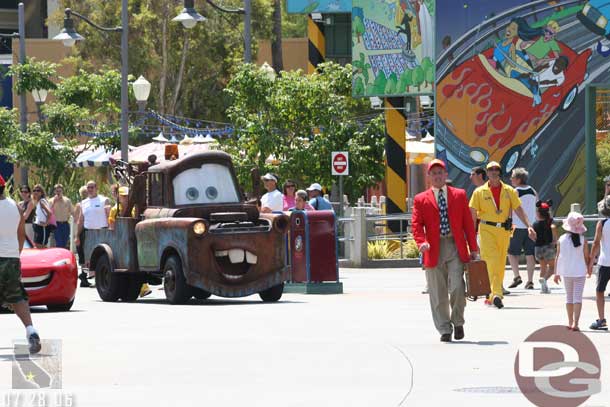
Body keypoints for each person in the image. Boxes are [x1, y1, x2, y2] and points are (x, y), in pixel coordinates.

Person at [412, 159, 478, 342]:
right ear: (429, 177)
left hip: (454, 246)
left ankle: (458, 322)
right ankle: (444, 329)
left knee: (457, 286)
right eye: (433, 173)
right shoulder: (420, 199)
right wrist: (421, 242)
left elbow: (467, 225)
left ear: (446, 175)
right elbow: (416, 225)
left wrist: (473, 248)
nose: (437, 176)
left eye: (440, 173)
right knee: (437, 291)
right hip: (433, 248)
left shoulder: (459, 195)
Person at [470, 161, 536, 309]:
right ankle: (497, 294)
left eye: (496, 169)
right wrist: (471, 235)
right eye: (490, 169)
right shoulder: (479, 192)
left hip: (504, 231)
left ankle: (491, 295)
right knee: (492, 261)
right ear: (486, 173)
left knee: (500, 264)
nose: (493, 172)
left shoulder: (509, 191)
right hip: (486, 229)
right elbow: (473, 214)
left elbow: (519, 209)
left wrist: (529, 226)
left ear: (499, 172)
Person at [0, 175, 41, 354]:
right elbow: (21, 234)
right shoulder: (15, 206)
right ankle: (31, 331)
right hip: (12, 259)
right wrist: (14, 254)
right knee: (17, 296)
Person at [108, 187, 151, 297]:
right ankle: (143, 287)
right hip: (120, 240)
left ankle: (143, 287)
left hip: (132, 239)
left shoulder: (132, 209)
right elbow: (111, 227)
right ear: (118, 197)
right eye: (123, 196)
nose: (125, 198)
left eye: (127, 196)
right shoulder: (114, 210)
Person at [554, 212, 591, 331]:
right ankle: (576, 323)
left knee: (569, 298)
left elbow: (557, 256)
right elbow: (586, 256)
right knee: (577, 298)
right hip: (580, 271)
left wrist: (556, 273)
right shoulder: (583, 240)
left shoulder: (561, 239)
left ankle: (570, 322)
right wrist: (589, 268)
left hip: (566, 272)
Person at [75, 181, 110, 286]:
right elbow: (80, 220)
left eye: (92, 187)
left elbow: (109, 216)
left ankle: (101, 278)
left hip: (101, 232)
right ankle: (84, 277)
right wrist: (77, 236)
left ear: (96, 187)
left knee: (102, 255)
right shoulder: (84, 203)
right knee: (85, 255)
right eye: (88, 187)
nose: (90, 189)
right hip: (87, 232)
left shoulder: (104, 200)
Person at [508, 168, 538, 290]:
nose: (511, 179)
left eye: (513, 177)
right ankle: (530, 281)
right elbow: (537, 205)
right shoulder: (533, 191)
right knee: (530, 254)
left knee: (511, 252)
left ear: (518, 179)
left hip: (516, 226)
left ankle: (517, 276)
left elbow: (511, 209)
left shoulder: (515, 192)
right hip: (531, 226)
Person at [587, 196, 610, 330]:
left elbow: (595, 243)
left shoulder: (602, 223)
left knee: (600, 291)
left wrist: (590, 262)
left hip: (605, 261)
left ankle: (601, 320)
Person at [533, 200, 557, 294]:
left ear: (538, 213)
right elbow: (554, 228)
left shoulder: (535, 224)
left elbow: (533, 236)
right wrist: (555, 240)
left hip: (537, 249)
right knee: (552, 267)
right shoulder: (550, 222)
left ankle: (543, 288)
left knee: (543, 267)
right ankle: (545, 280)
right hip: (548, 247)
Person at [73, 186, 89, 287]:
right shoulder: (82, 205)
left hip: (80, 230)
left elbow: (75, 219)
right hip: (82, 231)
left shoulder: (79, 205)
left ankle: (84, 275)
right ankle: (83, 275)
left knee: (82, 254)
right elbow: (78, 220)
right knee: (83, 254)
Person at [49, 184, 73, 249]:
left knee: (65, 243)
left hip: (65, 224)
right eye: (57, 191)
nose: (58, 193)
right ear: (54, 192)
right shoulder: (51, 201)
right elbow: (48, 212)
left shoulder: (67, 200)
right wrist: (54, 202)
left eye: (60, 191)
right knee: (59, 243)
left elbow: (72, 212)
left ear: (62, 191)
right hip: (56, 225)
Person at [32, 185, 52, 249]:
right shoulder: (38, 202)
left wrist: (46, 223)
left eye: (38, 190)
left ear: (41, 192)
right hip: (38, 227)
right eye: (34, 190)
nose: (36, 192)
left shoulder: (42, 201)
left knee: (41, 247)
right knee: (37, 245)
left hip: (42, 228)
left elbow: (49, 213)